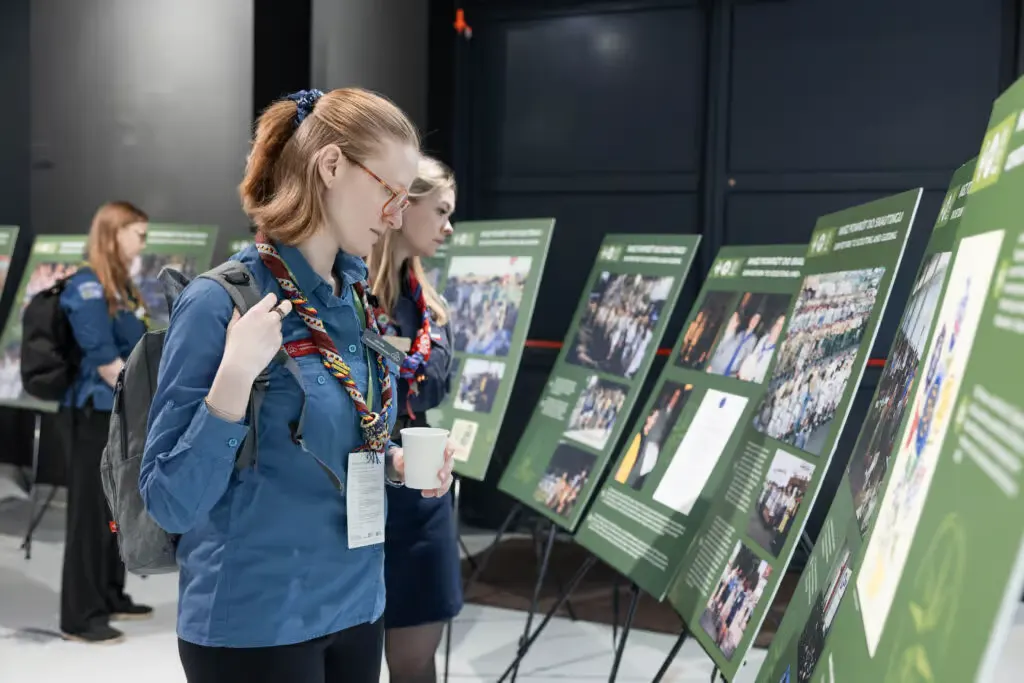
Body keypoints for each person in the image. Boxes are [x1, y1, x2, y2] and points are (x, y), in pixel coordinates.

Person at [139, 88, 455, 683]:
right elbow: (168, 500)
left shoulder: (352, 301)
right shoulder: (218, 303)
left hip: (358, 604)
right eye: (390, 191)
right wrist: (233, 380)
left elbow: (338, 435)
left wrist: (393, 464)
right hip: (257, 623)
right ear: (331, 166)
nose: (395, 215)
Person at [368, 156, 460, 682]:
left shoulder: (432, 306)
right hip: (358, 495)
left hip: (422, 501)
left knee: (414, 663)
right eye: (441, 211)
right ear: (403, 205)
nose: (449, 227)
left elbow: (434, 384)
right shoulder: (344, 297)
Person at [60, 200, 153, 644]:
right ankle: (80, 615)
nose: (142, 243)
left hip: (118, 417)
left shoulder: (120, 288)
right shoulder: (87, 286)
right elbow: (104, 359)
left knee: (116, 510)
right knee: (88, 518)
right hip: (92, 416)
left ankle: (111, 593)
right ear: (113, 233)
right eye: (138, 233)